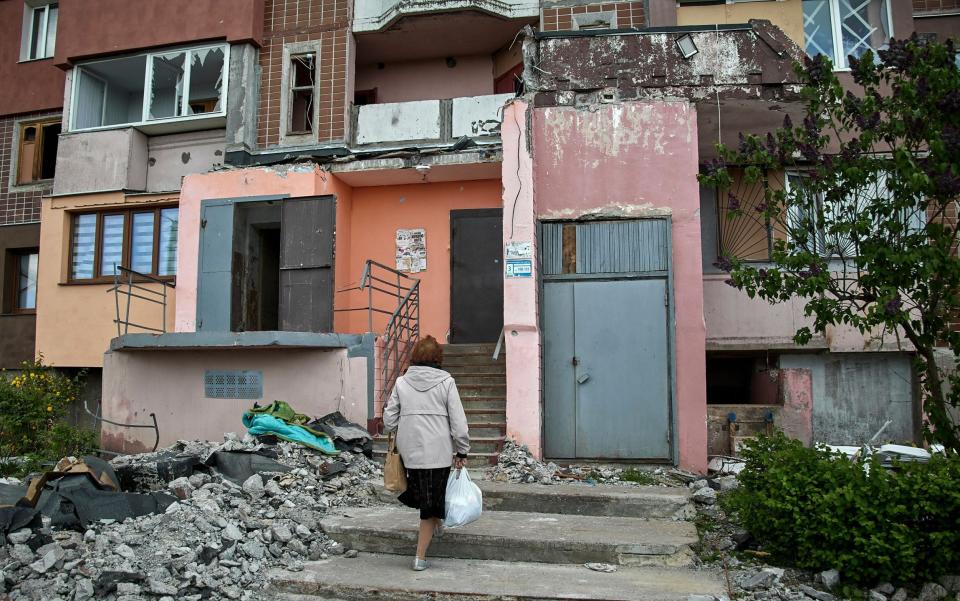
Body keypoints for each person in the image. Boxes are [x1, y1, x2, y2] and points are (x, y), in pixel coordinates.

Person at [383, 335, 470, 571]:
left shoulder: (402, 382)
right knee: (429, 505)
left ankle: (437, 521)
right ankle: (420, 557)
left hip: (411, 453)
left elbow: (389, 421)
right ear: (437, 358)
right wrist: (462, 449)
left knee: (428, 496)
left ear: (415, 357)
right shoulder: (446, 382)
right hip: (439, 451)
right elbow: (459, 422)